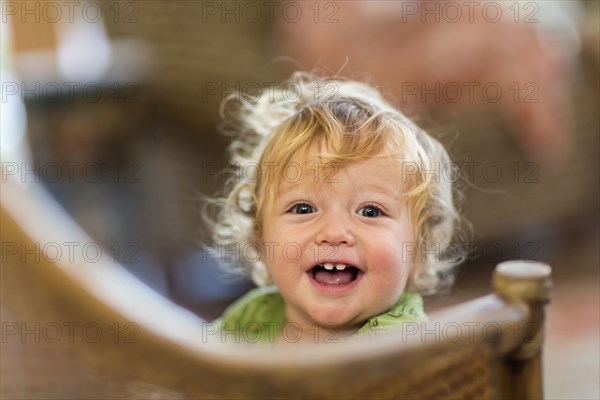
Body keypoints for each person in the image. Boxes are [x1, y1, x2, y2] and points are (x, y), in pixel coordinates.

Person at [207, 73, 464, 345]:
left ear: (418, 250)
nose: (334, 232)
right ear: (260, 239)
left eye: (370, 212)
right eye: (303, 208)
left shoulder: (402, 344)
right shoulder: (253, 318)